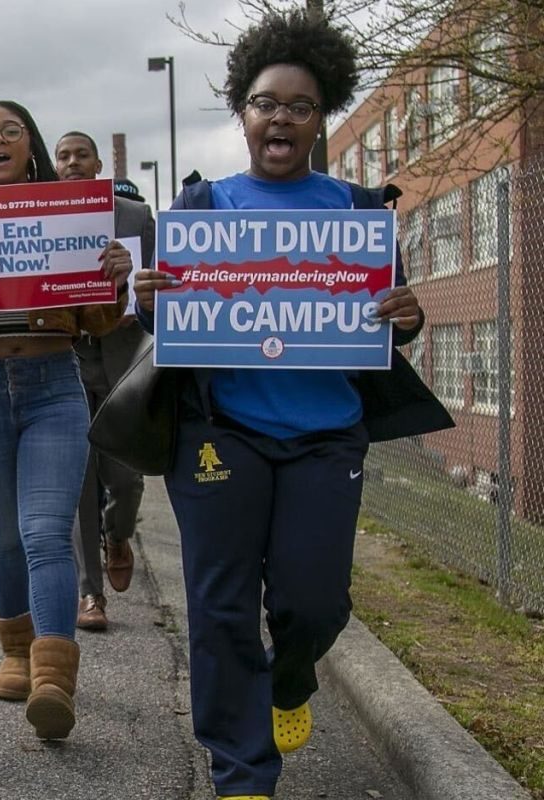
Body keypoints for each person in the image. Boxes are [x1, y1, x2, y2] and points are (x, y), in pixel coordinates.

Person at [133, 11, 453, 799]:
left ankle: (292, 678)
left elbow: (384, 321)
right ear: (243, 113)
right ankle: (242, 773)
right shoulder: (202, 207)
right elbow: (172, 328)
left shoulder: (355, 211)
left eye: (300, 106)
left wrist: (408, 316)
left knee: (314, 602)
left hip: (324, 436)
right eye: (266, 102)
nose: (281, 116)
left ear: (321, 118)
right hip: (221, 434)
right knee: (220, 609)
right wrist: (147, 301)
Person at [0, 101, 131, 740]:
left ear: (30, 145)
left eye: (11, 131)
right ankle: (15, 647)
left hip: (52, 387)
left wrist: (112, 282)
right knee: (3, 536)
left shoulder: (66, 215)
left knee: (45, 531)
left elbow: (96, 322)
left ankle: (53, 676)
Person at [54, 132, 153, 631]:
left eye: (81, 155)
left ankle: (118, 534)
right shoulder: (43, 217)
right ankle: (89, 594)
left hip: (120, 358)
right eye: (63, 156)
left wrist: (136, 285)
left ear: (97, 165)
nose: (72, 162)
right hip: (67, 363)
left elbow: (158, 279)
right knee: (79, 485)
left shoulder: (134, 216)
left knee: (126, 480)